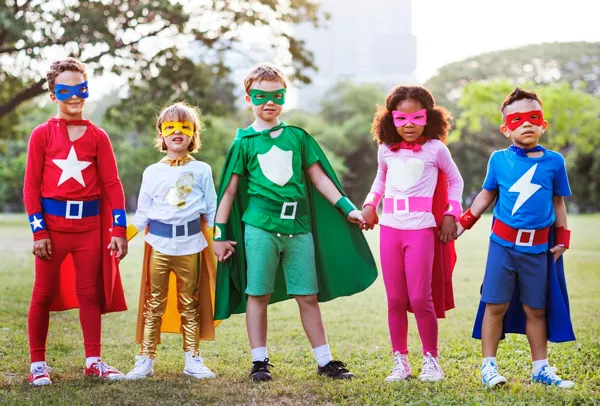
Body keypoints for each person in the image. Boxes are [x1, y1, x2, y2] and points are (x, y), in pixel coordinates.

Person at [212, 63, 378, 381]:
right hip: (259, 227)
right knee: (257, 294)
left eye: (276, 95)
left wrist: (349, 209)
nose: (269, 102)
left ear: (285, 97)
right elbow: (229, 192)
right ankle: (259, 361)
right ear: (249, 99)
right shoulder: (243, 143)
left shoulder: (298, 137)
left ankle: (325, 360)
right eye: (261, 96)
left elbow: (320, 178)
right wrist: (219, 234)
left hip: (298, 226)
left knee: (307, 295)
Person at [458, 88, 575, 388]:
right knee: (494, 304)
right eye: (517, 119)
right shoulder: (498, 160)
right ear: (506, 127)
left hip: (538, 249)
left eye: (533, 118)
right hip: (502, 246)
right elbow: (486, 194)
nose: (526, 124)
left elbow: (559, 202)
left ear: (543, 124)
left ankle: (541, 367)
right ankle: (489, 367)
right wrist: (463, 224)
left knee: (536, 309)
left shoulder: (555, 162)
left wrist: (563, 238)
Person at [23, 57, 128, 386]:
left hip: (89, 229)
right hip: (53, 229)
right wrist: (39, 231)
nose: (74, 95)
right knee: (42, 293)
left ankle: (93, 360)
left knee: (90, 294)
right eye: (65, 89)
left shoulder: (99, 137)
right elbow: (30, 187)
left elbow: (113, 185)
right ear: (53, 94)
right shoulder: (42, 134)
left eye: (80, 88)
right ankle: (38, 364)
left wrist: (120, 229)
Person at [362, 85, 464, 382]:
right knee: (395, 299)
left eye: (416, 118)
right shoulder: (385, 149)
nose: (408, 124)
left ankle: (431, 361)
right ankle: (400, 362)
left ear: (428, 118)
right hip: (390, 229)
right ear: (389, 119)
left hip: (421, 229)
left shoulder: (436, 149)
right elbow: (380, 180)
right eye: (401, 118)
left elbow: (456, 182)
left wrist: (450, 214)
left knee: (421, 298)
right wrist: (370, 204)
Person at [124, 102, 219, 380]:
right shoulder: (152, 172)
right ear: (161, 134)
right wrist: (123, 236)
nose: (177, 132)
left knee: (190, 303)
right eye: (170, 127)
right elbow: (143, 212)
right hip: (160, 246)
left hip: (191, 245)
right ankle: (145, 358)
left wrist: (219, 241)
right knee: (154, 303)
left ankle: (192, 357)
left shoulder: (202, 170)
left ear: (193, 134)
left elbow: (211, 210)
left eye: (184, 127)